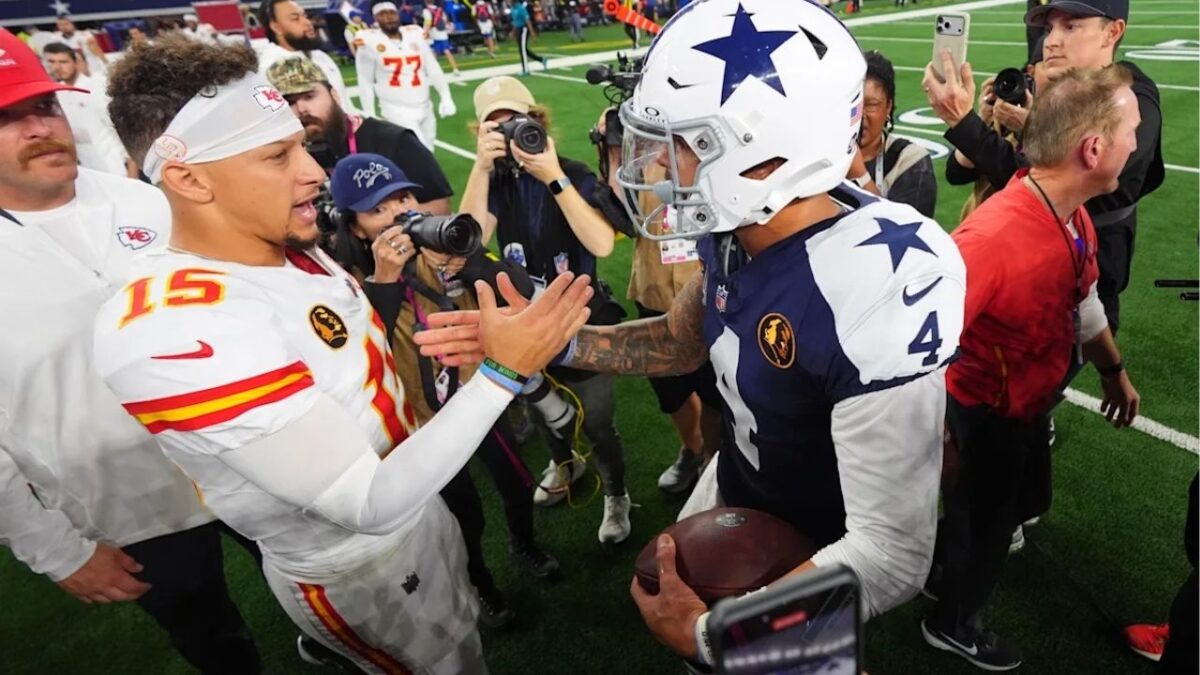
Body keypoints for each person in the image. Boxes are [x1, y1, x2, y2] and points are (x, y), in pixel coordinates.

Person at [418, 6, 966, 668]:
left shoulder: (877, 283)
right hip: (741, 481)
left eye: (678, 141)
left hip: (815, 549)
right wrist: (553, 341)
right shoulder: (743, 225)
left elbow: (892, 552)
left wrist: (718, 635)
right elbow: (682, 340)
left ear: (764, 158)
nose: (645, 167)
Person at [97, 35, 591, 674]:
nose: (314, 171)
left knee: (465, 642)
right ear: (189, 177)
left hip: (419, 506)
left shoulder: (281, 244)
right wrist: (503, 373)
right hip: (358, 559)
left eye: (302, 143)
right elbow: (365, 502)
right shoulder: (172, 326)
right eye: (278, 155)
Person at [0, 29, 261, 675]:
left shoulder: (146, 199)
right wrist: (54, 551)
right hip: (126, 503)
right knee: (211, 636)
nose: (37, 128)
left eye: (43, 107)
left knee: (316, 578)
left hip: (249, 454)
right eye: (6, 119)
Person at [922, 65, 1142, 671]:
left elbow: (1084, 303)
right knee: (986, 523)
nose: (1138, 142)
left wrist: (1112, 371)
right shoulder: (993, 239)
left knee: (1013, 504)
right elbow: (919, 349)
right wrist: (938, 431)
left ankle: (945, 571)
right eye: (1131, 131)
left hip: (1025, 403)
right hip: (985, 411)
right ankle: (953, 623)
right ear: (1093, 149)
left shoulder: (1067, 210)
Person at [327, 152, 564, 628]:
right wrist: (386, 279)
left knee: (517, 484)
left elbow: (515, 287)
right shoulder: (342, 283)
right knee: (464, 516)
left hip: (474, 397)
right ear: (354, 228)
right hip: (419, 420)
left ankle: (524, 544)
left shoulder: (439, 247)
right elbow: (358, 356)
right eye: (380, 209)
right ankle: (481, 586)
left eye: (405, 197)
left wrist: (469, 258)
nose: (400, 214)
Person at [462, 76, 634, 544]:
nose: (509, 135)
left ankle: (616, 492)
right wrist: (480, 169)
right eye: (494, 128)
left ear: (535, 120)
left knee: (597, 420)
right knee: (542, 411)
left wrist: (551, 174)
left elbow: (599, 241)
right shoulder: (494, 183)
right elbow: (468, 244)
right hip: (527, 321)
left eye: (515, 122)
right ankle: (565, 464)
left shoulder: (571, 172)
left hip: (583, 319)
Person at [924, 0, 1163, 333]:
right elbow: (958, 172)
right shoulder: (1048, 85)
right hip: (1022, 265)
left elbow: (1049, 186)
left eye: (1071, 26)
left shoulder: (1129, 98)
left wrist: (969, 124)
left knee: (1071, 347)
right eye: (1049, 28)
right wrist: (983, 121)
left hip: (1088, 268)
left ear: (1113, 31)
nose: (1052, 40)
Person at [594, 107, 721, 494]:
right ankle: (692, 449)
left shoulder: (703, 148)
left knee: (715, 390)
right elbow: (619, 215)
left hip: (703, 291)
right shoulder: (639, 155)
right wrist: (614, 148)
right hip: (654, 289)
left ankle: (715, 463)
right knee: (671, 392)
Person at [267, 55, 453, 215]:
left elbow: (438, 205)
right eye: (289, 102)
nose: (302, 109)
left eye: (309, 96)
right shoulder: (281, 159)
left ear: (334, 96)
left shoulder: (393, 140)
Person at [945, 36, 1049, 221]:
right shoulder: (1007, 115)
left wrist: (1028, 127)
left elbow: (1018, 178)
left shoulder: (1066, 124)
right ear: (1031, 72)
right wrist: (982, 119)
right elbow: (956, 173)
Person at [357, 2, 457, 151]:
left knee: (429, 150)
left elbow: (432, 67)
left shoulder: (414, 34)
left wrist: (445, 95)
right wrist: (369, 114)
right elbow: (365, 81)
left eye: (391, 13)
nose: (388, 18)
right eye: (382, 14)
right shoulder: (369, 41)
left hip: (425, 105)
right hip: (395, 108)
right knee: (419, 151)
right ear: (375, 18)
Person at [849, 50, 937, 218]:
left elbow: (905, 233)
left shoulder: (910, 161)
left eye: (871, 105)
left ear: (888, 106)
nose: (860, 115)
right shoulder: (824, 155)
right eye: (854, 103)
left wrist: (859, 176)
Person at [42, 42, 130, 177]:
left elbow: (119, 127)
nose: (57, 67)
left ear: (76, 62)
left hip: (115, 166)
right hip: (85, 169)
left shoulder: (95, 86)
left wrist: (132, 169)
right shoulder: (57, 94)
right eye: (52, 62)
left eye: (63, 62)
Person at [256, 0, 357, 113]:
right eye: (295, 18)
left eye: (305, 16)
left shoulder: (320, 56)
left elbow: (345, 104)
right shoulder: (269, 69)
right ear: (276, 27)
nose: (307, 22)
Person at [423, 0, 462, 76]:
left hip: (434, 32)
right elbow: (445, 20)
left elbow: (428, 22)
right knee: (438, 51)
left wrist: (425, 33)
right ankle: (455, 69)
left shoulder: (426, 10)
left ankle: (431, 70)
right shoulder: (440, 9)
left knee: (437, 51)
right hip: (442, 32)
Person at [510, 0, 547, 76]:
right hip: (518, 29)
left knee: (522, 50)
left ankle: (525, 69)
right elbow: (515, 22)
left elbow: (527, 20)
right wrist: (513, 32)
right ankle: (541, 59)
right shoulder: (513, 9)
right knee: (524, 50)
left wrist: (532, 32)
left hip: (524, 29)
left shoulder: (521, 8)